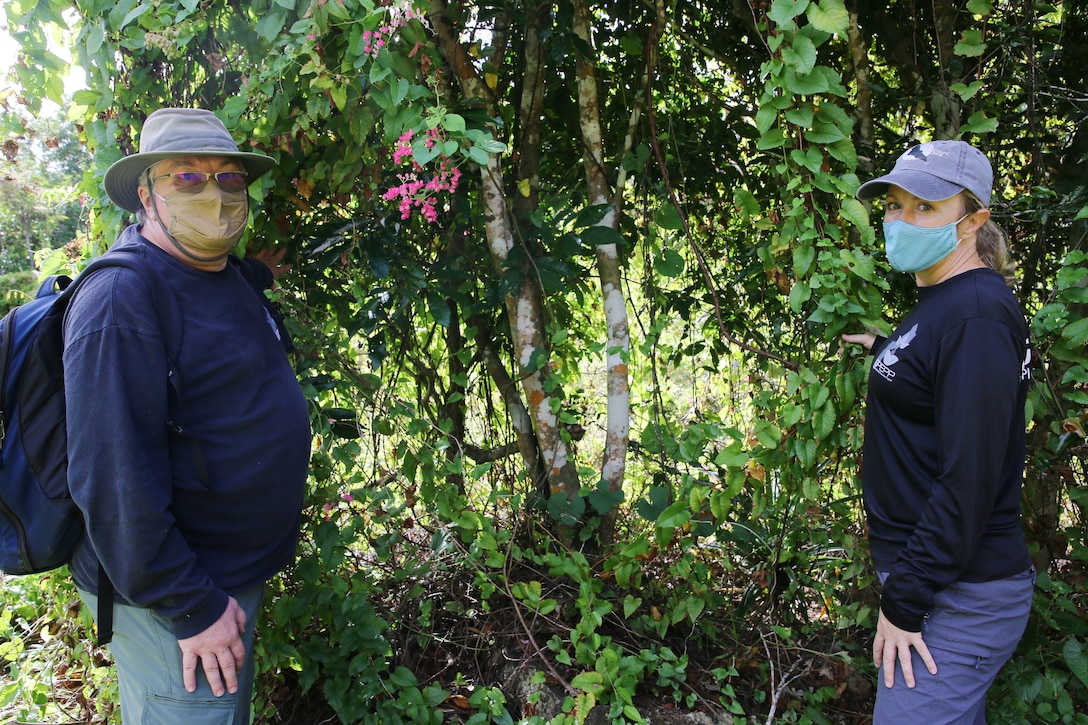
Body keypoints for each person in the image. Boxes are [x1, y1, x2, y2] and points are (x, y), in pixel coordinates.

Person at [64, 107, 311, 723]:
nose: (215, 194)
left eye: (230, 178)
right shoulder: (119, 303)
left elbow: (223, 293)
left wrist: (268, 268)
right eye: (187, 177)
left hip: (226, 577)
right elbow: (113, 482)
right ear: (145, 194)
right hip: (176, 603)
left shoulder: (222, 273)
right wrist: (192, 606)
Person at [842, 140, 1034, 724]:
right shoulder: (946, 300)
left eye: (925, 207)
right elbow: (946, 382)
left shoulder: (975, 315)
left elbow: (968, 479)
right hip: (942, 581)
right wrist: (890, 351)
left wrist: (903, 602)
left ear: (974, 220)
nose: (902, 220)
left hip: (957, 595)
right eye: (895, 205)